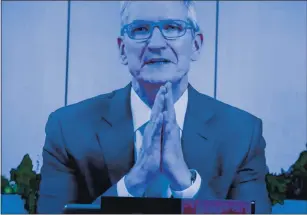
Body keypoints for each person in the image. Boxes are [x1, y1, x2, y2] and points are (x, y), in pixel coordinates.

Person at [37, 1, 271, 213]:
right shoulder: (67, 128)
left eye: (172, 28)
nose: (157, 43)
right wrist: (134, 182)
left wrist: (185, 183)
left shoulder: (242, 133)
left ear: (196, 45)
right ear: (122, 49)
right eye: (140, 29)